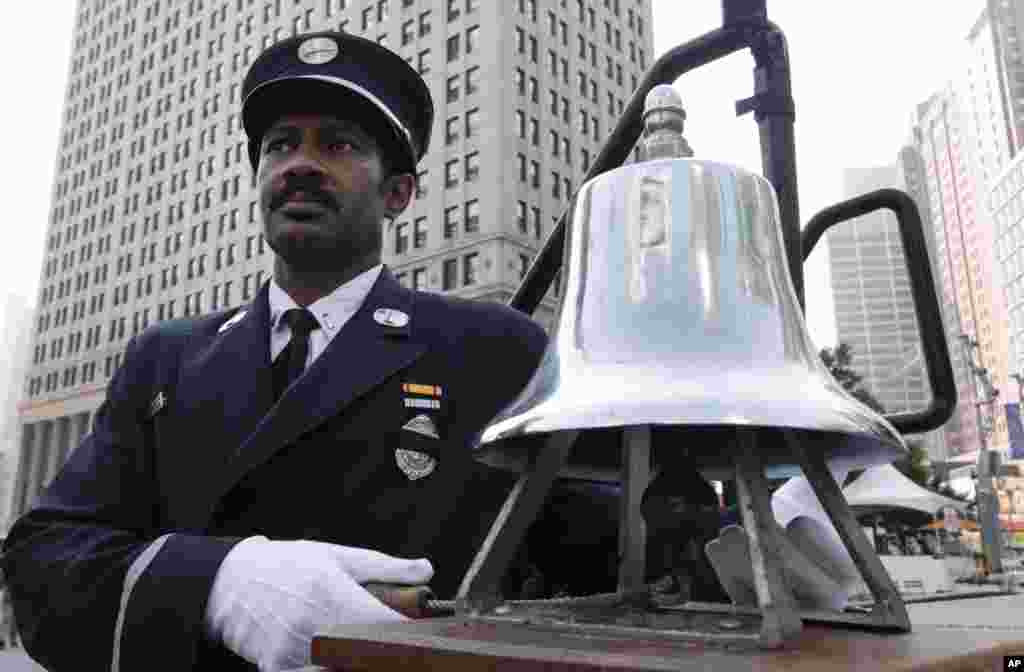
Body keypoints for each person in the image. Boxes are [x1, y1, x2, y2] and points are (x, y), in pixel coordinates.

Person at [1, 31, 618, 671]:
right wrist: (216, 584)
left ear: (399, 193)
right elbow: (44, 559)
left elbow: (617, 573)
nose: (301, 162)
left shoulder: (493, 350)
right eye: (280, 145)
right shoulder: (164, 361)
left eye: (339, 144)